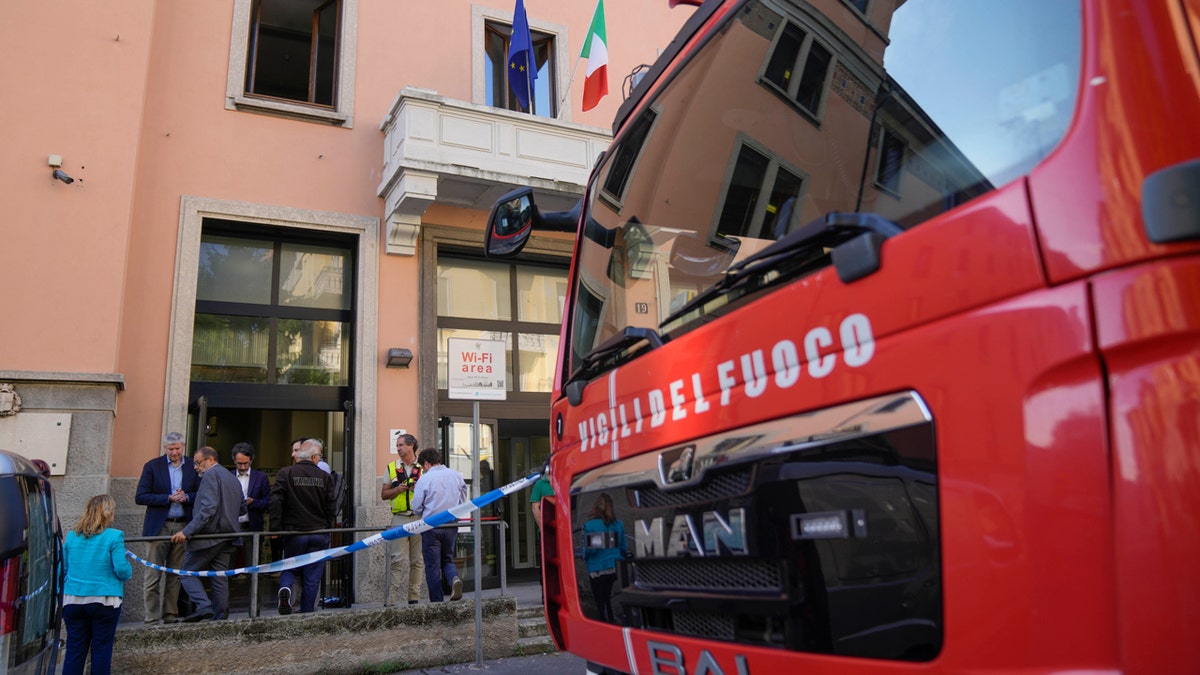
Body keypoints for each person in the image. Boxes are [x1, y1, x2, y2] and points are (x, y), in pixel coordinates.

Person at [172, 445, 246, 622]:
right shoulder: (232, 478)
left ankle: (204, 606)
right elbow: (242, 508)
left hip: (210, 536)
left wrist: (186, 531)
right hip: (229, 537)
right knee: (219, 576)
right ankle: (220, 617)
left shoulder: (211, 475)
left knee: (186, 573)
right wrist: (227, 515)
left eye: (198, 463)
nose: (195, 467)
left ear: (210, 460)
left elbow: (207, 509)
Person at [62, 494, 133, 675]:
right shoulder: (114, 536)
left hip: (73, 600)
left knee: (74, 651)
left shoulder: (71, 537)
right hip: (104, 599)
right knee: (101, 650)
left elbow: (63, 569)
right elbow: (122, 570)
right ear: (108, 513)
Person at [134, 431, 198, 624]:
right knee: (153, 574)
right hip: (159, 527)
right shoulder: (152, 466)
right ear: (165, 448)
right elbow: (140, 496)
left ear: (183, 446)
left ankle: (170, 615)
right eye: (171, 449)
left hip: (183, 527)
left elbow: (202, 493)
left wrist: (187, 497)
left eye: (178, 448)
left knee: (175, 574)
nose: (175, 453)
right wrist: (167, 498)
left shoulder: (193, 467)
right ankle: (151, 618)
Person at [270, 437, 336, 614]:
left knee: (289, 567)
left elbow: (276, 500)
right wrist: (326, 524)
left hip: (294, 532)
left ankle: (286, 588)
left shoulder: (286, 473)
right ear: (314, 457)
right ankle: (307, 613)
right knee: (312, 577)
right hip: (318, 532)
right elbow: (332, 506)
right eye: (319, 456)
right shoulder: (325, 477)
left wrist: (275, 527)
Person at [411, 448, 467, 602]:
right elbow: (463, 500)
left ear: (427, 463)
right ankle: (454, 578)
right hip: (451, 524)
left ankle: (437, 602)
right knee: (447, 559)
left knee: (432, 566)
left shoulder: (425, 478)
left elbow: (416, 506)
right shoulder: (456, 475)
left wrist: (422, 510)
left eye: (423, 466)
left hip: (431, 526)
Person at [381, 433, 425, 605]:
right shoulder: (391, 467)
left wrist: (418, 489)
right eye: (397, 445)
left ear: (411, 445)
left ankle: (414, 598)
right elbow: (384, 494)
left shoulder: (423, 468)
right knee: (396, 559)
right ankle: (391, 600)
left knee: (417, 561)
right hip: (399, 518)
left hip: (419, 517)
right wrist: (398, 490)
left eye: (401, 445)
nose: (398, 449)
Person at [580, 493, 626, 622]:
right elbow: (623, 548)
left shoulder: (590, 526)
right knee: (610, 599)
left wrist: (583, 555)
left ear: (596, 507)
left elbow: (592, 551)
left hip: (597, 570)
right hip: (614, 568)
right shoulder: (619, 525)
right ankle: (613, 621)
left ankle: (605, 623)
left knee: (600, 602)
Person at [232, 441, 270, 567]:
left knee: (252, 565)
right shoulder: (228, 476)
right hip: (231, 526)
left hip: (252, 526)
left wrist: (253, 502)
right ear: (234, 461)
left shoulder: (261, 477)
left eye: (245, 463)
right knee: (228, 565)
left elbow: (268, 502)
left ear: (251, 460)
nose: (242, 467)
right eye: (239, 463)